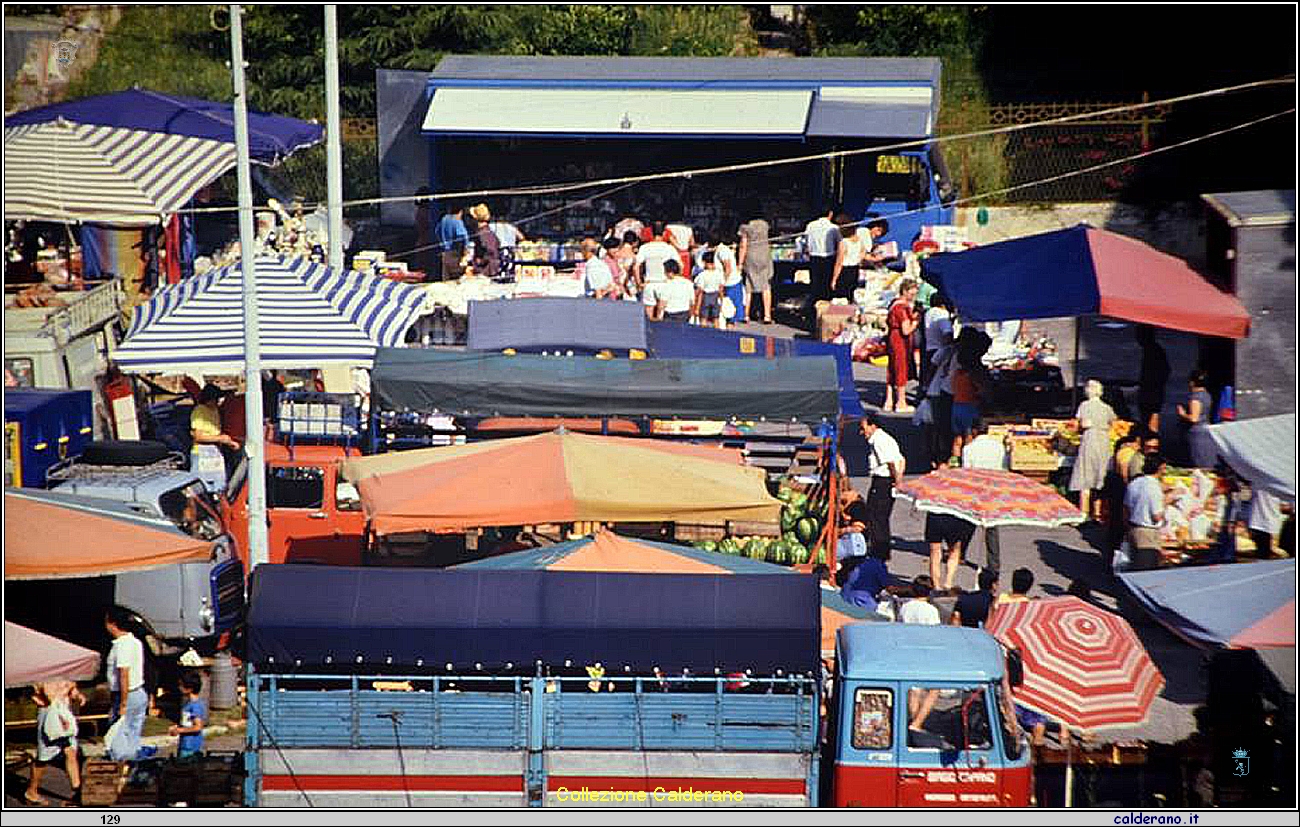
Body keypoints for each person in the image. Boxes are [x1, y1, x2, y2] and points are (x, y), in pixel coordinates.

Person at [25, 679, 84, 806]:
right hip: (49, 715)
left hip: (64, 714)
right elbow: (46, 693)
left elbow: (72, 690)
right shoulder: (43, 673)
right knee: (44, 758)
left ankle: (78, 793)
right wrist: (65, 690)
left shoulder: (64, 671)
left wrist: (77, 695)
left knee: (71, 752)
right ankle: (32, 791)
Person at [1069, 379, 1118, 522]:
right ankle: (1097, 512)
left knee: (1085, 475)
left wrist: (1081, 429)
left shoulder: (1084, 406)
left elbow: (1080, 424)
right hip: (1103, 442)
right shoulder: (1107, 408)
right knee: (1100, 475)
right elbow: (1113, 423)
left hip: (1089, 440)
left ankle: (1084, 512)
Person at [105, 606, 149, 764]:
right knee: (133, 734)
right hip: (139, 692)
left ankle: (122, 764)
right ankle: (132, 763)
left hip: (126, 694)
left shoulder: (122, 645)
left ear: (113, 624)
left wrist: (123, 703)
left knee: (118, 736)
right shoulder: (135, 642)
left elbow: (124, 674)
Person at [861, 413, 906, 560]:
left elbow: (890, 462)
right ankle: (881, 549)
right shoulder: (885, 438)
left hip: (882, 481)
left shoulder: (879, 440)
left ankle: (879, 550)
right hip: (886, 480)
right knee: (880, 515)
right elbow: (901, 460)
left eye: (864, 428)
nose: (862, 432)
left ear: (873, 426)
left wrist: (897, 480)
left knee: (876, 516)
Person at [1124, 453, 1169, 571]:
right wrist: (1167, 501)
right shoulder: (1153, 487)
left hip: (1133, 529)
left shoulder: (1134, 483)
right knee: (1146, 569)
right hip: (1148, 534)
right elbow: (1157, 516)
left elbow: (1126, 509)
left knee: (1135, 567)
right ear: (1161, 468)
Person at [191, 383, 241, 480]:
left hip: (215, 451)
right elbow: (198, 436)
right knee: (203, 482)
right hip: (202, 451)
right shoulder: (200, 411)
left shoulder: (215, 410)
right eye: (215, 399)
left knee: (219, 482)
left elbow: (217, 434)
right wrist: (220, 439)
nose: (217, 401)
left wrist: (230, 443)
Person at [885, 278, 920, 413]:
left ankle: (889, 400)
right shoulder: (902, 308)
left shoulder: (893, 304)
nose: (913, 297)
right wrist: (915, 322)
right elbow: (906, 330)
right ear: (905, 291)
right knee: (901, 368)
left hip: (892, 337)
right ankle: (901, 402)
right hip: (900, 340)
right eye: (911, 294)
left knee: (892, 368)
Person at [737, 200, 773, 324]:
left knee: (749, 286)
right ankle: (767, 315)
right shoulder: (765, 224)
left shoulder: (745, 226)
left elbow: (743, 245)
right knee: (766, 286)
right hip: (764, 255)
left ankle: (746, 315)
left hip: (751, 255)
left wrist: (740, 263)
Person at [926, 512, 978, 593]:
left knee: (935, 550)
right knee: (954, 550)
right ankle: (948, 583)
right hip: (955, 514)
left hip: (936, 512)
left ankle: (937, 586)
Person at [1135, 325, 1170, 435]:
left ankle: (1151, 439)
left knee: (1151, 417)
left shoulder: (1153, 350)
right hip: (1150, 390)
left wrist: (1152, 383)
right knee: (1147, 417)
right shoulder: (1150, 350)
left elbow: (1165, 370)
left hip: (1152, 391)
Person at [803, 207, 841, 303]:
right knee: (826, 283)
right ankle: (825, 303)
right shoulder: (834, 227)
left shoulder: (810, 225)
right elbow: (839, 242)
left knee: (815, 283)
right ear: (830, 214)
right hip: (829, 257)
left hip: (814, 257)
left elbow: (806, 240)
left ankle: (815, 303)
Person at [1177, 370, 1214, 467]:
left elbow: (1194, 418)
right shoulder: (1207, 395)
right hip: (1206, 429)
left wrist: (1183, 414)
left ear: (1192, 383)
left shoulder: (1196, 398)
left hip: (1197, 433)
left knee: (1199, 458)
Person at [921, 291, 954, 393]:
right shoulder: (942, 314)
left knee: (927, 379)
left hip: (929, 347)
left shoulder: (928, 313)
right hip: (940, 350)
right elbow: (947, 332)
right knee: (937, 382)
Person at [169, 671, 208, 759]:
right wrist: (177, 727)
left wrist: (180, 730)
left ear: (190, 688)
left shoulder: (195, 706)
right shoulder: (188, 704)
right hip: (184, 743)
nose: (179, 687)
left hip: (191, 746)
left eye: (181, 685)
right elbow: (187, 722)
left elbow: (198, 727)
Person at [840, 548, 892, 612]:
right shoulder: (880, 567)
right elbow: (889, 588)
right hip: (861, 601)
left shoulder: (862, 561)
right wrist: (903, 589)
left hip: (844, 596)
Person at [829, 213, 866, 302]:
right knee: (851, 294)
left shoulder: (844, 243)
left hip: (844, 271)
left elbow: (839, 263)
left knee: (841, 296)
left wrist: (834, 279)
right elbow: (862, 254)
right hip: (855, 270)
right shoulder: (860, 240)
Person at [633, 222, 678, 291]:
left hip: (649, 284)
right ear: (664, 233)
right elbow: (680, 265)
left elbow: (635, 267)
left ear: (652, 232)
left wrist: (639, 283)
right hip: (665, 283)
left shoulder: (644, 247)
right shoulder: (669, 248)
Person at [1245, 486, 1284, 557]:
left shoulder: (1258, 485)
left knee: (1264, 548)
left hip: (1259, 522)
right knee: (1266, 548)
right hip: (1268, 523)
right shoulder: (1276, 487)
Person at [435, 204, 470, 281]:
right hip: (455, 254)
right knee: (458, 280)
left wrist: (442, 243)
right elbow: (461, 237)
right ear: (461, 212)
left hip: (445, 254)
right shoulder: (457, 221)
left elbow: (437, 231)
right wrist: (464, 253)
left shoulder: (444, 219)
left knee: (446, 281)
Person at [693, 250, 725, 329]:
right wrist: (722, 300)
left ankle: (703, 332)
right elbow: (721, 288)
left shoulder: (702, 275)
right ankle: (717, 331)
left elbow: (699, 290)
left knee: (703, 317)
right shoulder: (719, 274)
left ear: (704, 262)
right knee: (716, 318)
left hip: (705, 297)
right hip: (716, 296)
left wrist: (695, 303)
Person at [469, 204, 501, 278]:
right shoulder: (485, 232)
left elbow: (492, 253)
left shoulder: (484, 234)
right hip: (485, 271)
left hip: (486, 273)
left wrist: (480, 262)